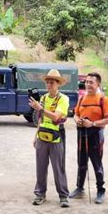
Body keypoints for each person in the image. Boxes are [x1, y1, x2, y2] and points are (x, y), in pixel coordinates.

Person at [29, 69, 70, 207]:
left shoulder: (63, 99)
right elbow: (40, 119)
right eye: (47, 82)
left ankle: (63, 195)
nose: (49, 85)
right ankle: (40, 194)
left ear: (58, 84)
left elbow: (56, 116)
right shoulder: (43, 98)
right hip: (42, 136)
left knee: (58, 167)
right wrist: (35, 136)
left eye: (52, 82)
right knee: (40, 167)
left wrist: (40, 108)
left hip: (57, 137)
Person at [69, 72, 108, 204]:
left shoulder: (103, 99)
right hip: (82, 133)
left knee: (96, 163)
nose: (88, 84)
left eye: (91, 82)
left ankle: (100, 190)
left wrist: (92, 123)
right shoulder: (82, 99)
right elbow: (75, 114)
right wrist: (78, 121)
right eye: (87, 82)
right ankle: (80, 188)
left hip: (96, 134)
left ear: (98, 84)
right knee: (81, 162)